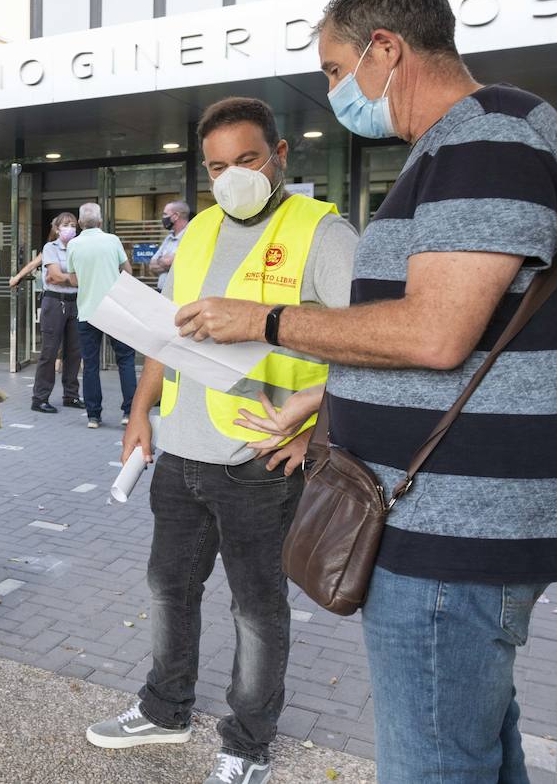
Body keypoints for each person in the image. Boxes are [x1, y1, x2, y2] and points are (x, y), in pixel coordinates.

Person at [175, 0, 557, 783]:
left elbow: (436, 333)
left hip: (453, 534)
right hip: (447, 526)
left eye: (334, 69)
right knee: (475, 752)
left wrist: (262, 320)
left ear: (386, 48)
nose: (335, 90)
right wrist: (325, 400)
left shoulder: (487, 139)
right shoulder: (460, 146)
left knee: (432, 766)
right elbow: (452, 331)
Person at [85, 97, 358, 784]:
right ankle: (165, 708)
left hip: (261, 465)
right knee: (169, 587)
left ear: (281, 155)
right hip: (182, 455)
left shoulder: (322, 233)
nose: (233, 177)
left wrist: (314, 419)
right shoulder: (199, 231)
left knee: (257, 609)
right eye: (216, 167)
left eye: (247, 160)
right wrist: (140, 411)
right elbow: (164, 332)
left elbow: (374, 339)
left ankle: (247, 742)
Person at [65, 203, 137, 429]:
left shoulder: (73, 245)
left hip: (87, 311)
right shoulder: (112, 240)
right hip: (114, 308)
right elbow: (128, 271)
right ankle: (128, 413)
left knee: (91, 364)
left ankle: (93, 416)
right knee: (125, 360)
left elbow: (74, 280)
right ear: (100, 221)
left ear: (79, 222)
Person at [30, 212, 82, 414]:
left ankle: (71, 395)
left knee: (74, 352)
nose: (71, 228)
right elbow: (53, 275)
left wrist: (64, 277)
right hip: (54, 302)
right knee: (49, 351)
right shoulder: (50, 248)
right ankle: (40, 398)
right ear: (57, 228)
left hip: (75, 302)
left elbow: (65, 276)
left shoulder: (79, 248)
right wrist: (72, 277)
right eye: (66, 225)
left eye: (73, 225)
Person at [149, 200, 190, 292]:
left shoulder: (191, 235)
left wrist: (162, 261)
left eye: (165, 214)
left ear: (175, 216)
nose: (163, 218)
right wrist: (165, 261)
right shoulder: (169, 238)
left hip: (179, 293)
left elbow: (177, 263)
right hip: (162, 291)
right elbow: (152, 265)